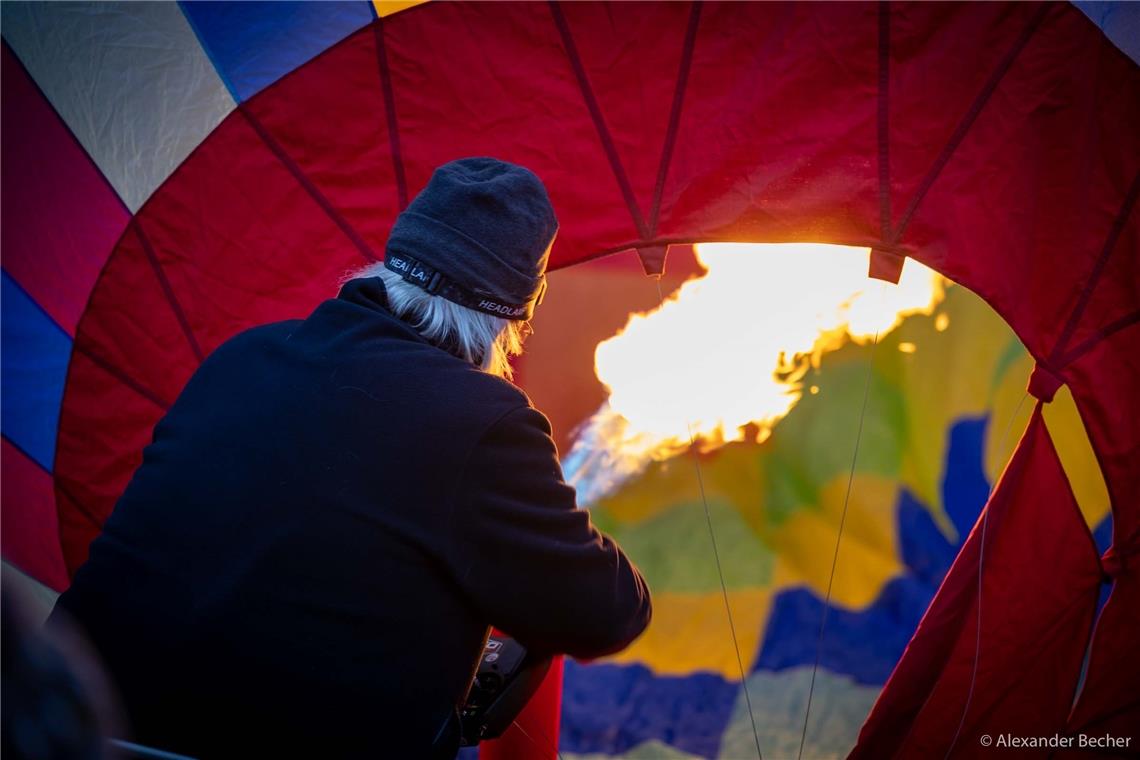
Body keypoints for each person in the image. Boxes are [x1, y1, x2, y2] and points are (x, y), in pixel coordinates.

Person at [49, 157, 652, 758]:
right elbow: (607, 611)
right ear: (512, 319)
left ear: (390, 263)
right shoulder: (485, 425)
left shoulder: (243, 356)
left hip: (65, 727)